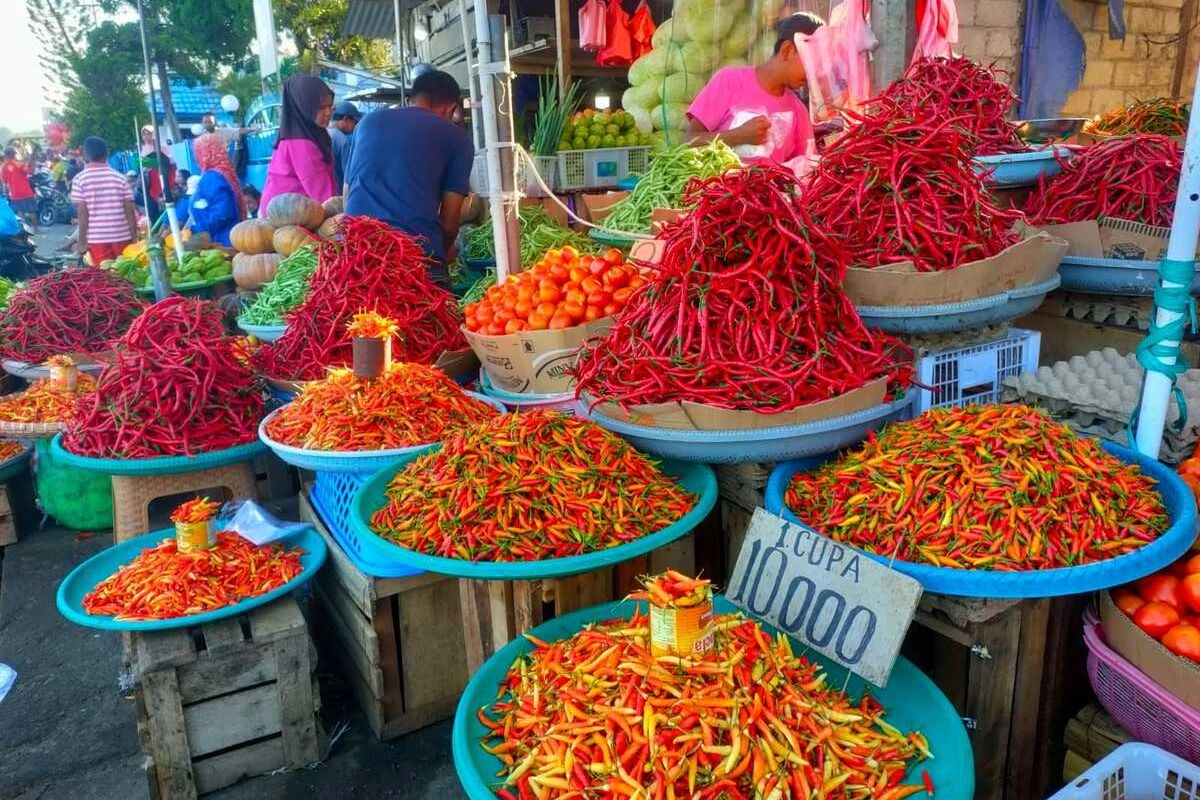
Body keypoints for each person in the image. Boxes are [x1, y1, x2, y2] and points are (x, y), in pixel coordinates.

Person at [345, 70, 472, 287]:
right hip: (414, 257)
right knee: (434, 317)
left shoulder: (366, 123)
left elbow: (346, 195)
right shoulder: (457, 137)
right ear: (452, 108)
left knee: (362, 321)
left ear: (410, 99)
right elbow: (450, 222)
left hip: (356, 256)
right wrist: (443, 252)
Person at [685, 12, 822, 171]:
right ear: (787, 50)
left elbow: (809, 167)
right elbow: (688, 142)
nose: (815, 73)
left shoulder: (798, 110)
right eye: (813, 62)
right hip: (718, 193)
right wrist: (737, 136)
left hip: (768, 196)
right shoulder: (729, 81)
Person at [260, 76, 337, 213]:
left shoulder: (311, 133)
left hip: (291, 212)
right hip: (284, 219)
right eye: (322, 107)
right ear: (304, 107)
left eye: (330, 106)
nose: (328, 112)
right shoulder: (301, 143)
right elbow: (324, 196)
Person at [71, 136, 136, 265]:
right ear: (106, 153)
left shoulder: (80, 179)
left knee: (105, 278)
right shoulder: (120, 178)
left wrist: (82, 241)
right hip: (122, 236)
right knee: (126, 273)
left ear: (85, 154)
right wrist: (135, 238)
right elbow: (130, 212)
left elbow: (82, 214)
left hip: (97, 239)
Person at [186, 133, 246, 246]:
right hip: (226, 238)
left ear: (204, 153)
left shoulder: (212, 177)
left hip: (220, 242)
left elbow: (223, 213)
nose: (196, 157)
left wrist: (195, 230)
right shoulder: (223, 173)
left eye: (198, 152)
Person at [327, 100, 361, 191]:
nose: (355, 126)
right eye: (355, 122)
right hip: (338, 192)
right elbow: (348, 176)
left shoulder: (324, 133)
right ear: (346, 119)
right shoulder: (343, 140)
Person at [1, 148, 37, 233]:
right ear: (14, 154)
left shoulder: (4, 167)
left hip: (15, 193)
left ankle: (25, 230)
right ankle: (36, 229)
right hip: (26, 191)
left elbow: (5, 181)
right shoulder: (18, 163)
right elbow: (30, 172)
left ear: (6, 155)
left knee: (20, 212)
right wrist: (32, 162)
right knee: (32, 210)